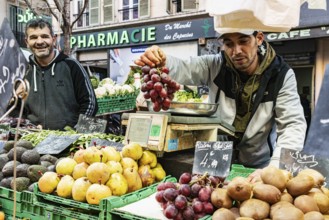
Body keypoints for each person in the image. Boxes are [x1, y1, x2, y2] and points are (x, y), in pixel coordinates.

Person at [135, 29, 307, 174]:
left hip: (259, 165)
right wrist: (163, 60)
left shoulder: (281, 75)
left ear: (259, 39)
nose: (236, 51)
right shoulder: (215, 66)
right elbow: (184, 68)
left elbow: (292, 125)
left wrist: (277, 168)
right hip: (214, 158)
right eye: (229, 44)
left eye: (243, 41)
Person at [11, 18, 98, 130]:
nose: (39, 41)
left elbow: (90, 103)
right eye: (33, 37)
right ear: (26, 42)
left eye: (44, 36)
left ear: (53, 39)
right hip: (34, 141)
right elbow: (15, 109)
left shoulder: (71, 66)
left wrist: (78, 132)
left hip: (68, 140)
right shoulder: (23, 71)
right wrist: (26, 126)